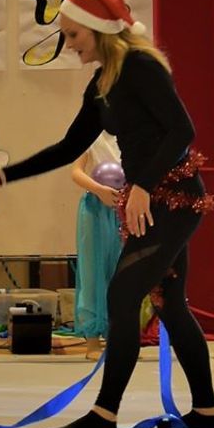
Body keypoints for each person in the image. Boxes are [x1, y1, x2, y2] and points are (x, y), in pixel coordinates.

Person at [0, 0, 214, 428]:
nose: (68, 44)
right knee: (169, 304)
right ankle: (206, 410)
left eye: (73, 34)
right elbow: (68, 148)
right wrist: (0, 176)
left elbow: (182, 129)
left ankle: (104, 416)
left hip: (172, 201)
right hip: (151, 204)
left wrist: (143, 185)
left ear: (99, 30)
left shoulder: (140, 66)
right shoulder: (102, 85)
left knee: (122, 296)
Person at [70, 131, 123, 358]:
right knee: (93, 271)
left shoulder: (131, 134)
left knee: (121, 271)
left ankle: (118, 337)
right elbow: (76, 172)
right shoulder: (91, 135)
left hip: (125, 207)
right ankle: (92, 340)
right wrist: (99, 190)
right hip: (95, 208)